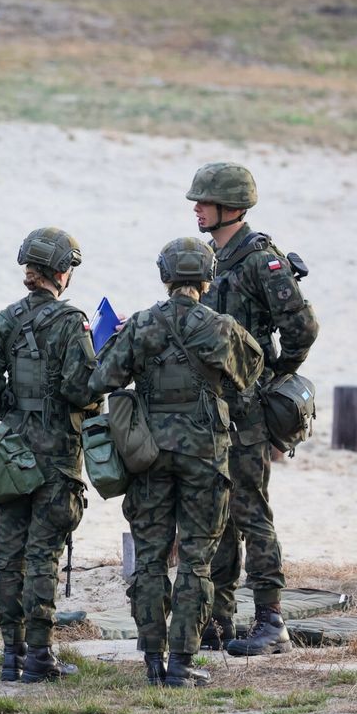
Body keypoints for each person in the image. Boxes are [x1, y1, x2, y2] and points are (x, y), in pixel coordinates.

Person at [89, 238, 264, 687]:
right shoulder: (220, 327)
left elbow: (102, 377)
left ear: (165, 276)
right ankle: (184, 662)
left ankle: (152, 660)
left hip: (148, 455)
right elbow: (250, 372)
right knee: (195, 562)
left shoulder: (143, 324)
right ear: (206, 279)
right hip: (205, 455)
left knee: (149, 560)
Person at [186, 163, 319, 656]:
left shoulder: (263, 262)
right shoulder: (210, 260)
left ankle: (271, 620)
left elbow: (302, 327)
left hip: (247, 409)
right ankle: (217, 621)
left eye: (204, 202)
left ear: (231, 208)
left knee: (251, 510)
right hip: (213, 408)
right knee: (218, 512)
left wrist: (274, 375)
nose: (196, 209)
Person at [0, 227, 99, 682]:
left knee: (9, 551)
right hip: (58, 453)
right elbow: (82, 391)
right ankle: (40, 656)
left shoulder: (4, 320)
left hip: (12, 451)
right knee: (43, 554)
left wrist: (14, 400)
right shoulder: (72, 322)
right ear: (62, 272)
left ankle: (11, 653)